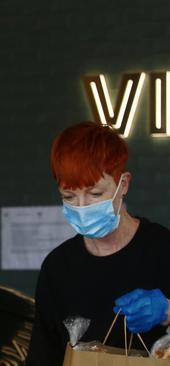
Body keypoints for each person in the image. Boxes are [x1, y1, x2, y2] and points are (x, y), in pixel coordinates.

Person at [25, 121, 170, 365]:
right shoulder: (58, 268)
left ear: (123, 185)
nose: (82, 207)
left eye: (95, 194)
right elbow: (43, 355)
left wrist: (167, 311)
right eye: (69, 196)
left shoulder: (162, 249)